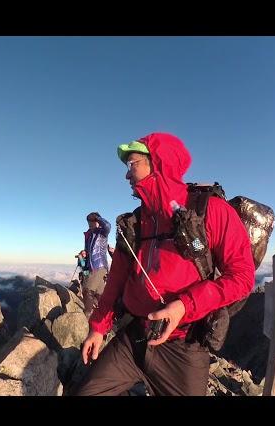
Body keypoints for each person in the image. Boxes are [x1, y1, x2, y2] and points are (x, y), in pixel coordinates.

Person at [75, 132, 255, 396]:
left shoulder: (211, 211)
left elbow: (242, 277)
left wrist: (185, 305)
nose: (126, 175)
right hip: (134, 337)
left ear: (157, 163)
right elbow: (116, 281)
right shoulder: (136, 222)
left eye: (132, 164)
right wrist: (98, 329)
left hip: (184, 347)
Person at [82, 212, 111, 319]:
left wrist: (98, 218)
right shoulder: (89, 234)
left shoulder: (102, 232)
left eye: (92, 222)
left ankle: (88, 316)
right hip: (93, 266)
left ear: (97, 222)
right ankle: (104, 317)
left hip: (98, 265)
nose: (90, 224)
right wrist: (84, 254)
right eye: (89, 222)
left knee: (87, 290)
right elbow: (88, 251)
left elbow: (108, 225)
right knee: (99, 294)